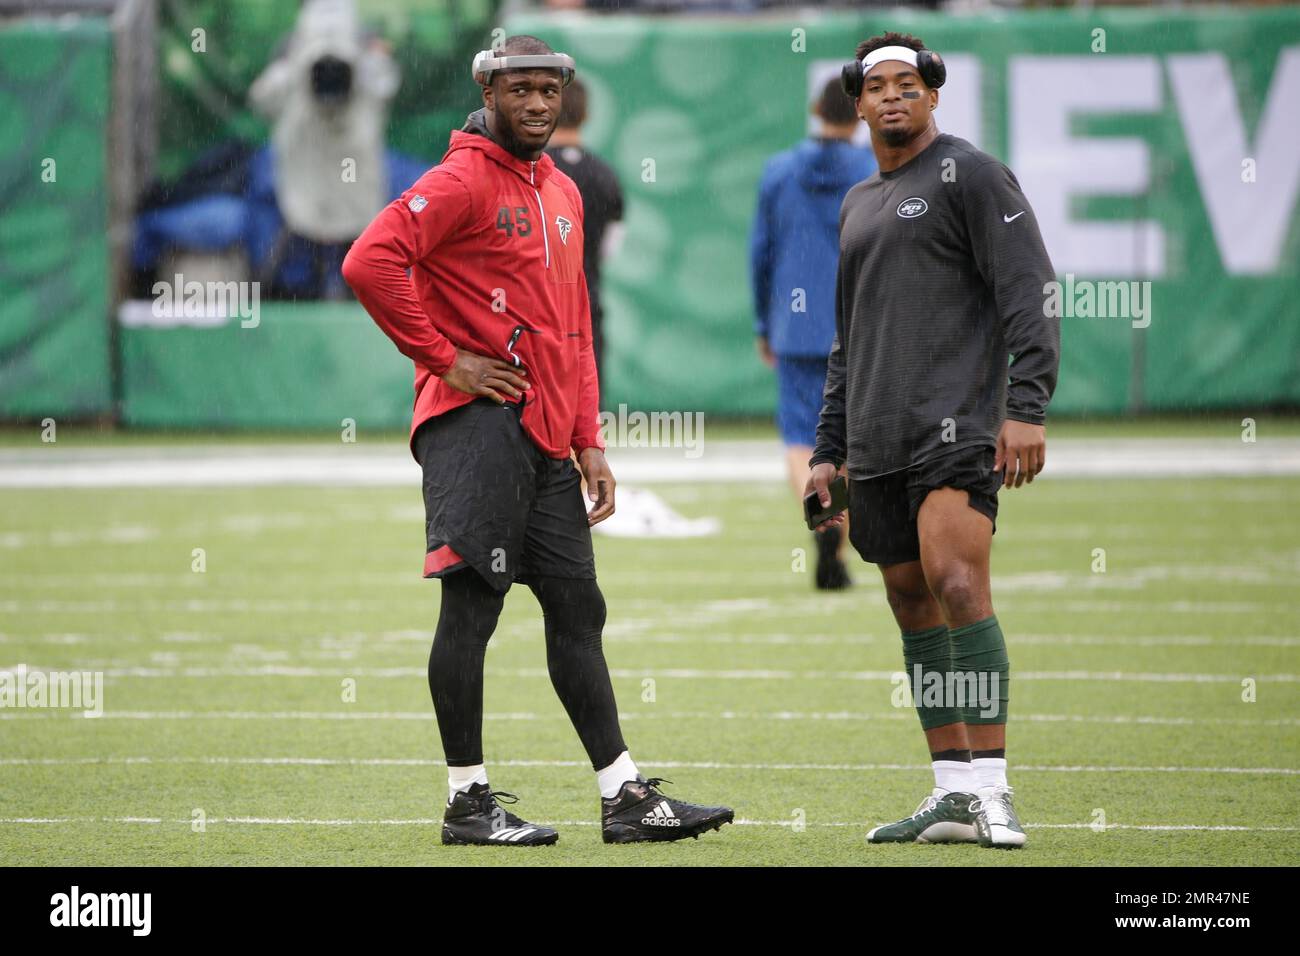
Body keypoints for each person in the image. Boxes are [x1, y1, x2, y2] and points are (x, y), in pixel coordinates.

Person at [341, 35, 733, 847]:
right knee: (472, 608)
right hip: (476, 431)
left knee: (577, 607)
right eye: (518, 89)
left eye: (549, 90)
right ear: (489, 93)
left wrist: (590, 438)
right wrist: (447, 360)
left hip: (549, 438)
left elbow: (575, 323)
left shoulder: (562, 188)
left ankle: (624, 798)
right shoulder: (459, 179)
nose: (536, 104)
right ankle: (466, 802)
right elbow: (369, 262)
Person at [807, 32, 1059, 849]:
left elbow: (1030, 292)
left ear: (934, 94)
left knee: (956, 582)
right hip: (875, 441)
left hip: (957, 430)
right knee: (909, 601)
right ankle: (951, 792)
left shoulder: (974, 175)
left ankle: (994, 789)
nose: (890, 96)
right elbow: (848, 339)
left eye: (907, 83)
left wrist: (1026, 406)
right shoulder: (859, 202)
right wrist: (826, 450)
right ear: (858, 101)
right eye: (875, 84)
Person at [751, 77, 876, 590]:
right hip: (859, 323)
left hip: (796, 324)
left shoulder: (779, 171)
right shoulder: (876, 168)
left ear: (813, 109)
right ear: (863, 114)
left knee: (802, 438)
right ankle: (839, 541)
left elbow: (761, 253)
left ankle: (822, 520)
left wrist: (765, 322)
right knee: (850, 443)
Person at [544, 77, 625, 383]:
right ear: (587, 115)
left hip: (538, 310)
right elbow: (609, 249)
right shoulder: (605, 176)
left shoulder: (530, 169)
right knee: (587, 411)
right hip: (586, 304)